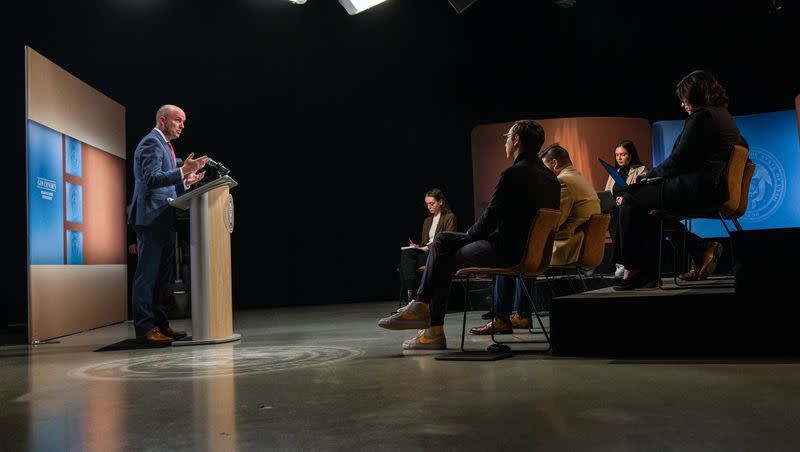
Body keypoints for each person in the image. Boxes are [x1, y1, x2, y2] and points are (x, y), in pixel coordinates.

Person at [378, 120, 560, 350]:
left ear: (516, 141)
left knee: (442, 247)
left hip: (506, 252)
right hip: (531, 253)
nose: (505, 141)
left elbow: (487, 222)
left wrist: (467, 236)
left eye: (507, 136)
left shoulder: (513, 174)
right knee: (443, 247)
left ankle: (428, 322)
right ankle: (424, 315)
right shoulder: (551, 179)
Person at [614, 70, 745, 290]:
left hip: (700, 188)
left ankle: (633, 270)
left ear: (695, 96)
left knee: (630, 197)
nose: (683, 104)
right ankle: (649, 274)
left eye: (685, 98)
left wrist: (650, 175)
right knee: (647, 207)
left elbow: (679, 160)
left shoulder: (702, 116)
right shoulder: (722, 115)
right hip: (711, 187)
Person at [470, 144, 600, 335]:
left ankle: (501, 318)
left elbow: (552, 221)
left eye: (544, 167)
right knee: (526, 249)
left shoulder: (563, 182)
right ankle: (522, 315)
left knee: (512, 251)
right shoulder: (580, 178)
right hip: (582, 246)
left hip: (568, 248)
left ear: (554, 163)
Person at [128, 105, 208, 343]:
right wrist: (183, 170)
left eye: (183, 121)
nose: (182, 125)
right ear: (163, 120)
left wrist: (186, 180)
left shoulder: (166, 146)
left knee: (161, 279)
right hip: (150, 218)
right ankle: (144, 328)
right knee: (147, 277)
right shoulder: (151, 143)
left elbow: (165, 184)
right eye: (178, 120)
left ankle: (161, 325)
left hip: (162, 217)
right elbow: (151, 179)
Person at [397, 188, 458, 307]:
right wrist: (417, 246)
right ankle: (412, 295)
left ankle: (411, 298)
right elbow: (424, 242)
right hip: (426, 252)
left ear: (440, 202)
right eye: (427, 204)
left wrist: (428, 247)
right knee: (407, 254)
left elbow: (449, 239)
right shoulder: (427, 221)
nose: (429, 207)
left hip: (439, 253)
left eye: (432, 203)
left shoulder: (450, 217)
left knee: (404, 265)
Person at [603, 140, 648, 279]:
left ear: (631, 155)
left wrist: (625, 199)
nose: (619, 158)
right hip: (615, 209)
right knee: (611, 212)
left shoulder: (641, 170)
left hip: (633, 209)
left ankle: (623, 262)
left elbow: (642, 192)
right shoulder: (614, 172)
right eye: (617, 155)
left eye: (623, 154)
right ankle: (621, 262)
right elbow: (607, 192)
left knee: (619, 212)